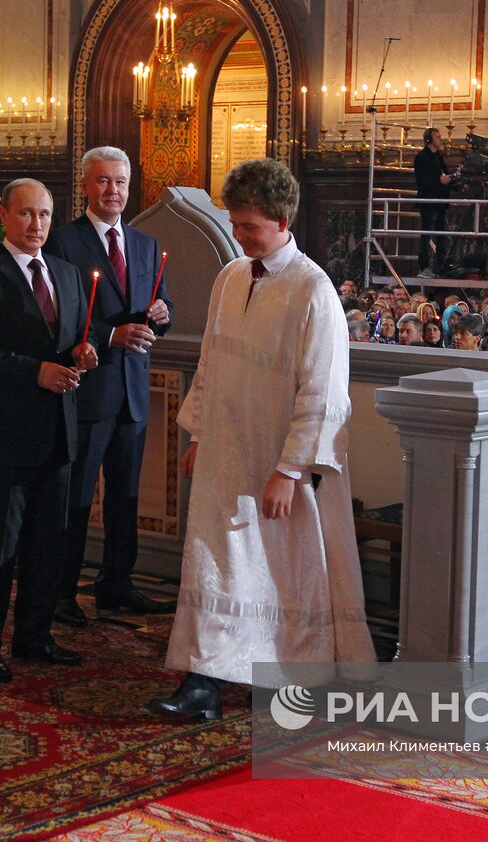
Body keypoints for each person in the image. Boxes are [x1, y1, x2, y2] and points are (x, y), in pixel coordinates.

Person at [148, 158, 375, 721]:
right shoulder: (230, 277)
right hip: (225, 449)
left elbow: (322, 389)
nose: (240, 235)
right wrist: (199, 431)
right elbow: (211, 360)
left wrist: (290, 469)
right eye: (236, 224)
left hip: (278, 459)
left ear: (283, 218)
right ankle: (202, 681)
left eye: (250, 226)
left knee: (278, 570)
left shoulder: (313, 289)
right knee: (214, 562)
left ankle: (278, 676)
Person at [0, 178, 100, 682]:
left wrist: (83, 352)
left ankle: (34, 636)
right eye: (26, 215)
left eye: (44, 215)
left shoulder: (68, 272)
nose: (36, 225)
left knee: (47, 542)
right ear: (3, 216)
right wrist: (33, 370)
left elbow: (76, 337)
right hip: (4, 432)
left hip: (59, 431)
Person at [49, 147, 175, 626]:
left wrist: (163, 314)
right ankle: (60, 592)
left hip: (133, 392)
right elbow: (60, 317)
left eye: (120, 182)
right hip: (87, 390)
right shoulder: (64, 243)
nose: (113, 191)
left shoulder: (143, 244)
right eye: (102, 182)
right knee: (77, 498)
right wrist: (108, 334)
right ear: (85, 186)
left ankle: (116, 585)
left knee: (125, 498)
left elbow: (159, 301)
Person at [413, 127, 451, 276]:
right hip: (428, 202)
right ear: (429, 139)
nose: (440, 140)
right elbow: (422, 179)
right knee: (427, 234)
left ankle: (441, 267)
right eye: (438, 137)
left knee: (442, 235)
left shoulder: (439, 157)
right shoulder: (422, 157)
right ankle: (424, 267)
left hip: (440, 201)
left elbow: (443, 174)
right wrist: (439, 180)